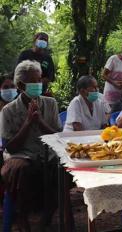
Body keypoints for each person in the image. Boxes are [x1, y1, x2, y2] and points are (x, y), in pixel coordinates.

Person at [0, 60, 62, 230]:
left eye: (39, 79)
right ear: (20, 84)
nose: (38, 84)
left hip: (46, 151)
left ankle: (48, 215)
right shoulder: (8, 110)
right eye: (33, 81)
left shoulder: (50, 104)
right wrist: (27, 123)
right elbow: (10, 147)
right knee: (22, 170)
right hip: (20, 154)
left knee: (62, 168)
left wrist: (40, 122)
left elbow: (57, 136)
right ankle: (22, 217)